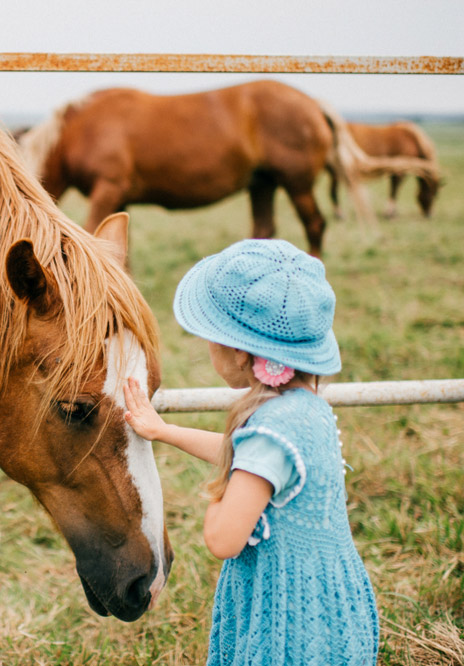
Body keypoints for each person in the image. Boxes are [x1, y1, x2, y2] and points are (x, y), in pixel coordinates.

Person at [123, 239, 378, 665]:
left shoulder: (269, 431)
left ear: (239, 350)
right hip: (327, 599)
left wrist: (218, 491)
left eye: (210, 337)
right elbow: (247, 457)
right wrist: (163, 431)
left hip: (285, 617)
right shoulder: (307, 409)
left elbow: (223, 539)